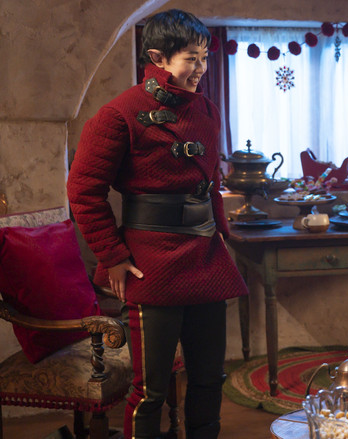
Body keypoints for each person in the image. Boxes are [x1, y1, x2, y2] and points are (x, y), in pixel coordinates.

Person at [67, 9, 248, 439]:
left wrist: (221, 236)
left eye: (204, 58)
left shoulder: (206, 109)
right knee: (150, 391)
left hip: (205, 259)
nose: (200, 68)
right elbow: (83, 191)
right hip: (151, 263)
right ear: (157, 58)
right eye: (190, 58)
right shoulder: (118, 114)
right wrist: (112, 256)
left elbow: (210, 181)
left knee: (210, 379)